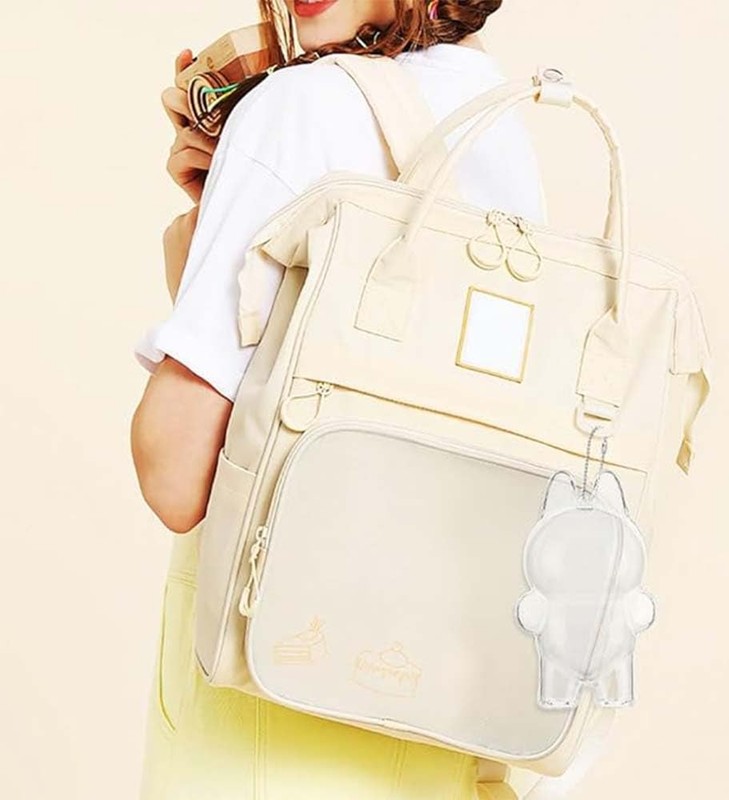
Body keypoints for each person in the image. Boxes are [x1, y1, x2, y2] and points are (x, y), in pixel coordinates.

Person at [130, 1, 547, 798]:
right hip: (434, 711)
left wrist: (207, 247)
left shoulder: (295, 107)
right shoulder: (497, 114)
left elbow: (176, 474)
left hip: (267, 723)